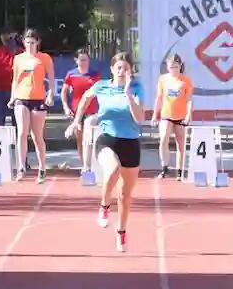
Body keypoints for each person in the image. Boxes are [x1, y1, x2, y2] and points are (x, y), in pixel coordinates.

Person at [70, 52, 144, 253]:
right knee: (112, 169)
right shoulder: (101, 86)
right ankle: (104, 206)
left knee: (125, 195)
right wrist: (77, 121)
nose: (122, 71)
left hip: (130, 142)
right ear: (112, 69)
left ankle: (121, 231)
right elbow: (85, 99)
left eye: (126, 68)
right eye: (118, 68)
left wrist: (128, 95)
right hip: (107, 139)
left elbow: (139, 118)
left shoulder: (136, 88)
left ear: (130, 71)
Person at [10, 28, 55, 183]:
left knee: (37, 136)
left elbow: (51, 78)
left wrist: (50, 93)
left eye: (32, 43)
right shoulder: (18, 59)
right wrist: (12, 97)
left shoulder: (44, 58)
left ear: (37, 43)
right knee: (22, 132)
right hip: (21, 97)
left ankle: (42, 168)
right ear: (23, 42)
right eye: (27, 42)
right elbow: (15, 79)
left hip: (38, 98)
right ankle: (21, 167)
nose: (30, 46)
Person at [152, 54, 194, 179]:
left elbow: (189, 99)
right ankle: (164, 167)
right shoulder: (163, 79)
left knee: (181, 143)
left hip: (181, 116)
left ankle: (180, 170)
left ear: (180, 66)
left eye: (175, 67)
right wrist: (155, 114)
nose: (173, 70)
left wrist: (188, 114)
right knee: (163, 138)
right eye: (171, 67)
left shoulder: (186, 80)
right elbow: (159, 98)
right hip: (166, 114)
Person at [61, 49, 101, 175]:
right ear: (76, 60)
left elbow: (99, 92)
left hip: (92, 111)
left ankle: (90, 165)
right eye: (81, 60)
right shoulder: (71, 74)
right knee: (80, 139)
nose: (84, 62)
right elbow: (64, 92)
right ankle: (84, 165)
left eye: (86, 60)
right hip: (76, 111)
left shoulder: (95, 74)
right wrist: (66, 107)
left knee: (89, 138)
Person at [0, 29, 21, 126]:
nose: (7, 38)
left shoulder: (21, 52)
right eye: (4, 36)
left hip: (17, 91)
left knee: (18, 120)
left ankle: (18, 135)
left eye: (10, 36)